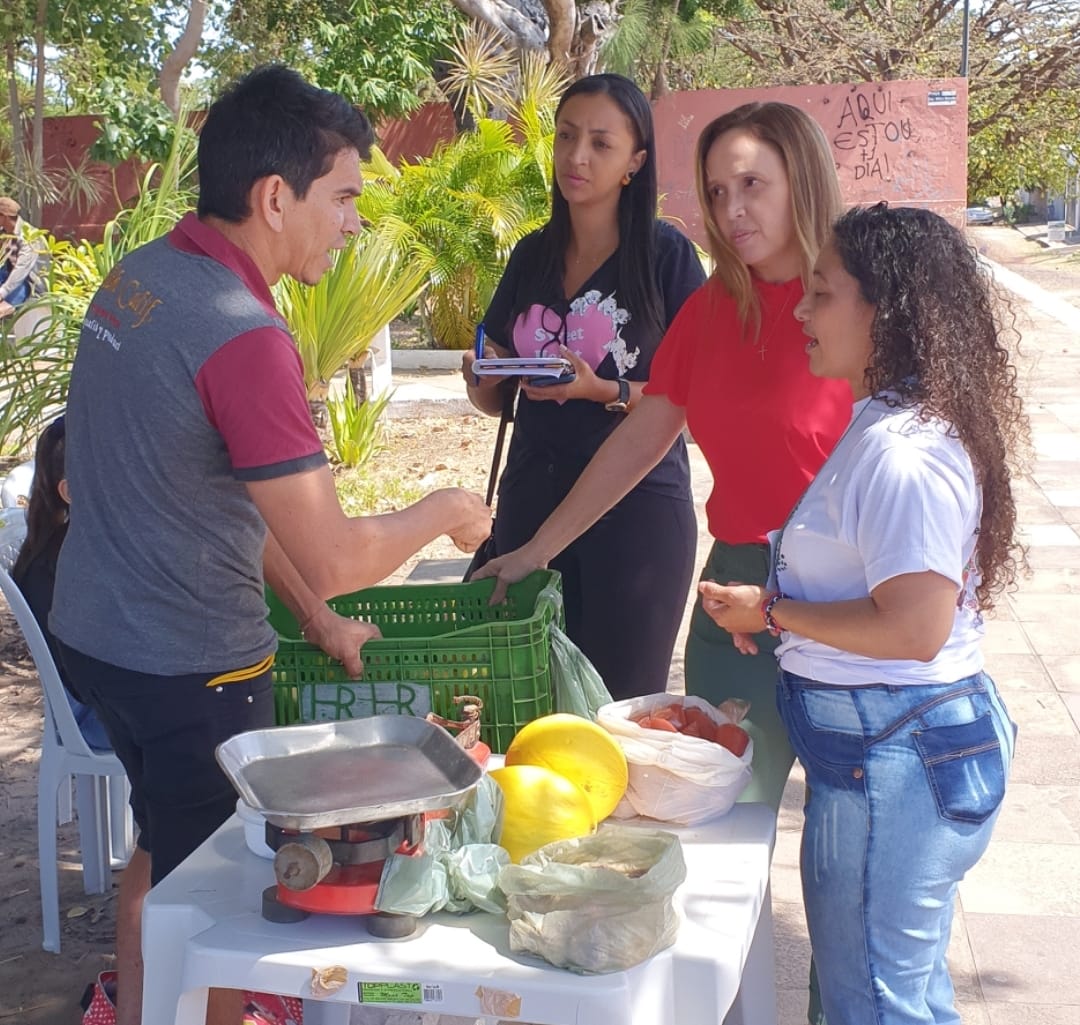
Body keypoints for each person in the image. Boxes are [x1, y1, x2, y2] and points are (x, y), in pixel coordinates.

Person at [50, 65, 490, 1025]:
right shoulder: (242, 335)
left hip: (100, 640)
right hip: (188, 666)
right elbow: (330, 546)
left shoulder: (141, 278)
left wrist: (318, 619)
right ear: (275, 197)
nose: (352, 222)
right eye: (343, 197)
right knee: (217, 916)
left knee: (163, 852)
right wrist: (441, 509)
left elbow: (211, 500)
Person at [699, 203, 1023, 1025]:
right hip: (888, 755)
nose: (802, 313)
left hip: (897, 761)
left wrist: (776, 613)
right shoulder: (883, 422)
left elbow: (915, 628)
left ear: (889, 308)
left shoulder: (905, 454)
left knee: (877, 1006)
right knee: (897, 993)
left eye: (823, 294)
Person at [476, 101, 851, 806]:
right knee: (725, 823)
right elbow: (644, 435)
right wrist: (534, 548)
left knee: (846, 855)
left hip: (849, 598)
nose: (732, 210)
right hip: (737, 596)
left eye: (751, 184)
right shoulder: (714, 308)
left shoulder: (859, 302)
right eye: (715, 191)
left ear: (801, 179)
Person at [461, 73, 706, 701]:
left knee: (619, 711)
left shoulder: (666, 257)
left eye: (601, 143)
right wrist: (484, 374)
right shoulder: (530, 255)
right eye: (567, 136)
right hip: (529, 502)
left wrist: (604, 390)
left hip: (635, 520)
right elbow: (495, 400)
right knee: (522, 702)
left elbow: (692, 398)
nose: (576, 156)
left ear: (635, 162)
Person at [9, 416, 110, 751]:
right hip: (93, 717)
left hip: (88, 705)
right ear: (67, 491)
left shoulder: (58, 547)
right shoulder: (71, 559)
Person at [0, 195, 44, 318]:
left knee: (4, 306)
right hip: (8, 273)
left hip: (29, 281)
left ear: (4, 216)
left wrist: (2, 293)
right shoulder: (5, 232)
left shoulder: (30, 236)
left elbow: (22, 269)